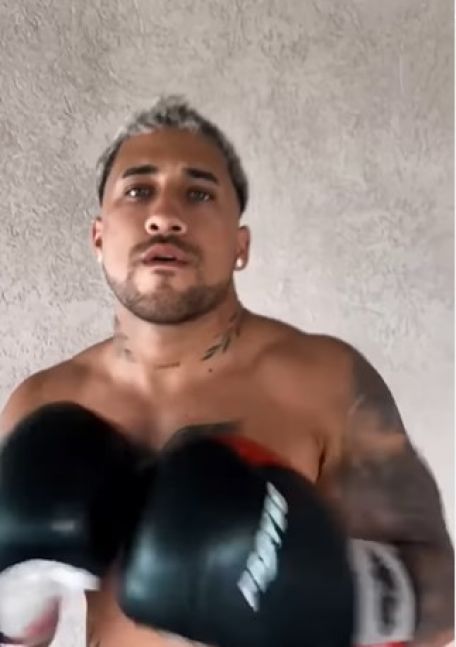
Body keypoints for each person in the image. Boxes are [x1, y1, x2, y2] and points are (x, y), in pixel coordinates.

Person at [0, 96, 453, 647]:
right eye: (138, 190)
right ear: (98, 238)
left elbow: (444, 601)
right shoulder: (41, 402)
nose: (165, 216)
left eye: (199, 193)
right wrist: (15, 599)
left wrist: (320, 592)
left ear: (240, 245)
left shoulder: (324, 380)